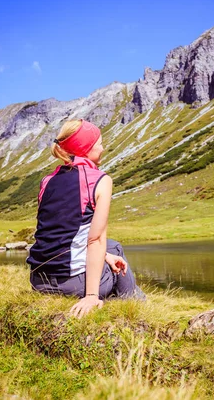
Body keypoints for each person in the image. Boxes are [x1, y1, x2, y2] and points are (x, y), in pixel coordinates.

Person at [26, 118, 145, 317]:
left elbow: (59, 232)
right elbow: (95, 239)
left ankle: (129, 298)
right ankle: (134, 303)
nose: (103, 148)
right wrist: (91, 295)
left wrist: (105, 257)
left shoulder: (47, 181)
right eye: (99, 144)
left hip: (38, 281)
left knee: (109, 249)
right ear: (86, 148)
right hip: (73, 285)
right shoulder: (100, 180)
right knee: (113, 246)